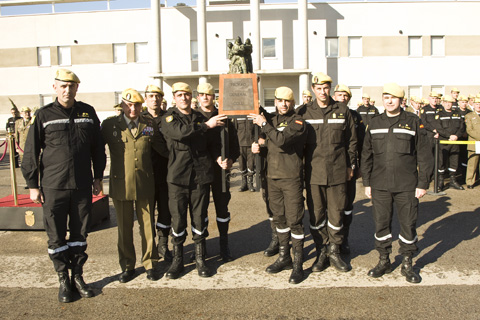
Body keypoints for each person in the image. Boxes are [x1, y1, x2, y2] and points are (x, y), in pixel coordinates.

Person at [21, 69, 106, 303]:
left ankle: (77, 276)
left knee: (80, 233)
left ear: (77, 88)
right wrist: (32, 185)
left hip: (81, 186)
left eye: (71, 86)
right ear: (55, 88)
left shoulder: (88, 112)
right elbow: (31, 151)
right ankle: (63, 280)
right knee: (56, 235)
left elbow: (97, 148)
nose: (67, 90)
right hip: (53, 186)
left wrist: (98, 177)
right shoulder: (43, 115)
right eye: (63, 86)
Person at [361, 83, 433, 284]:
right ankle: (383, 260)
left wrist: (423, 183)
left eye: (393, 98)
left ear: (401, 100)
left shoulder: (412, 121)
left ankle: (408, 262)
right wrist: (367, 182)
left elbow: (425, 155)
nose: (389, 101)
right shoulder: (374, 123)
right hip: (380, 184)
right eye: (386, 97)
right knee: (381, 224)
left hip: (407, 185)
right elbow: (366, 155)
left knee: (408, 225)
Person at [102, 88, 168, 283]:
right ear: (122, 105)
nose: (133, 109)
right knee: (124, 228)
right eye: (129, 105)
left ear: (142, 106)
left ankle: (150, 263)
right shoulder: (109, 125)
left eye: (137, 105)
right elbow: (96, 150)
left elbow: (162, 149)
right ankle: (127, 266)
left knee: (147, 227)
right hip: (120, 185)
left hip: (145, 184)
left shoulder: (148, 125)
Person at [161, 82, 226, 279]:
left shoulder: (199, 117)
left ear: (192, 97)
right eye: (179, 95)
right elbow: (180, 133)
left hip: (200, 176)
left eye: (186, 95)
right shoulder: (169, 118)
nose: (183, 98)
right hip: (178, 177)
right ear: (174, 98)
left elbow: (213, 143)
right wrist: (205, 126)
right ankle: (178, 261)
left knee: (199, 217)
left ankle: (200, 259)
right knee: (178, 219)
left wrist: (219, 157)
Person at [296, 72, 357, 273]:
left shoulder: (342, 110)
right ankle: (322, 251)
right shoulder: (303, 112)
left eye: (326, 88)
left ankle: (334, 250)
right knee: (316, 215)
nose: (323, 92)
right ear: (313, 89)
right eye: (319, 88)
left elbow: (351, 141)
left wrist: (351, 166)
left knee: (337, 213)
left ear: (330, 89)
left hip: (338, 172)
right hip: (314, 173)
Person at [250, 86, 307, 284]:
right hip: (272, 178)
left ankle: (298, 264)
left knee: (295, 220)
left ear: (292, 103)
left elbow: (282, 140)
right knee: (279, 220)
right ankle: (285, 257)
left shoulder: (298, 121)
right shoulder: (272, 121)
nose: (283, 104)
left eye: (287, 101)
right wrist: (260, 148)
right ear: (275, 101)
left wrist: (264, 125)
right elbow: (272, 146)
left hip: (291, 178)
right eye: (280, 100)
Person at [196, 82, 240, 262]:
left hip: (221, 172)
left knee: (222, 209)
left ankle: (224, 245)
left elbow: (235, 145)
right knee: (201, 210)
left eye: (208, 94)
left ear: (213, 97)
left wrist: (231, 159)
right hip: (201, 171)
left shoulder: (225, 117)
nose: (205, 97)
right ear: (197, 97)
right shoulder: (194, 118)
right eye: (202, 94)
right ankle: (202, 248)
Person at [141, 85, 172, 261]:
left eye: (157, 96)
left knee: (165, 212)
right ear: (146, 99)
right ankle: (150, 247)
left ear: (162, 99)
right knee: (147, 213)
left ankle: (163, 244)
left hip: (166, 172)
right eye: (151, 96)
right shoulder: (140, 119)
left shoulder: (169, 118)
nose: (154, 99)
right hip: (146, 174)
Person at [333, 84, 365, 254]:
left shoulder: (355, 116)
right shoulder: (329, 112)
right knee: (330, 207)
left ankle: (344, 240)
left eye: (345, 95)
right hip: (332, 168)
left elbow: (361, 143)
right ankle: (331, 242)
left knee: (347, 206)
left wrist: (357, 166)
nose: (342, 98)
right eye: (339, 95)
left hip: (349, 167)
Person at [434, 95, 465, 190]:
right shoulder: (439, 115)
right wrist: (449, 136)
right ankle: (440, 182)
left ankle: (453, 180)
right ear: (443, 103)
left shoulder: (457, 114)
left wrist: (456, 136)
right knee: (441, 162)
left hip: (455, 142)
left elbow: (462, 127)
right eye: (446, 102)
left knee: (454, 162)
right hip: (444, 142)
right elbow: (439, 127)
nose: (448, 104)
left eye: (450, 103)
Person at [233, 111, 256, 192]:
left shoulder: (253, 114)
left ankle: (250, 183)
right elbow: (234, 130)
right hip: (240, 144)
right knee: (242, 164)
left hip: (251, 144)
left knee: (251, 165)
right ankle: (244, 183)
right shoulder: (238, 116)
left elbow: (257, 129)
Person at [465, 98, 480, 189]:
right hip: (475, 143)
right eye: (477, 104)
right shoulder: (469, 116)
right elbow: (469, 130)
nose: (479, 106)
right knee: (472, 163)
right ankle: (470, 181)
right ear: (473, 105)